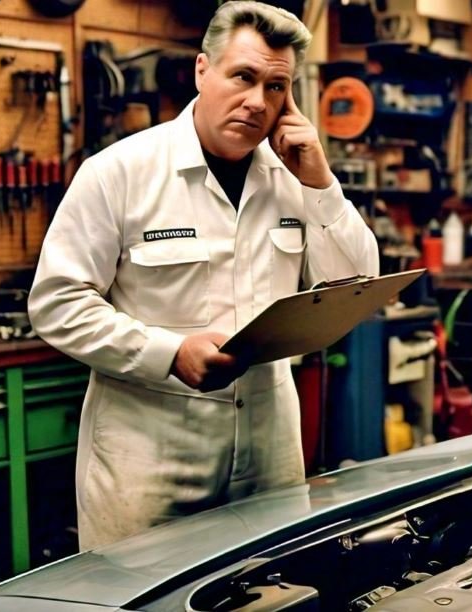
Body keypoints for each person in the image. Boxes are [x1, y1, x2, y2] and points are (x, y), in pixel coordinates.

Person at [28, 0, 379, 550]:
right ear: (201, 70)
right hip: (149, 462)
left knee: (278, 595)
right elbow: (57, 303)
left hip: (270, 453)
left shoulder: (294, 177)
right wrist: (169, 352)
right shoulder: (118, 173)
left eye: (275, 87)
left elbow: (355, 284)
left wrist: (321, 183)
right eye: (243, 76)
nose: (257, 101)